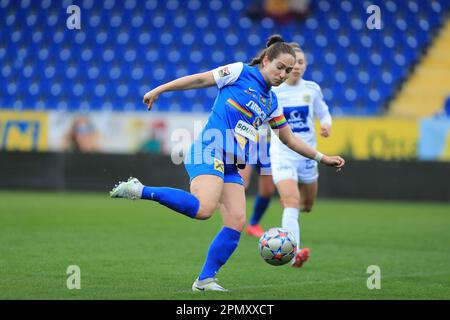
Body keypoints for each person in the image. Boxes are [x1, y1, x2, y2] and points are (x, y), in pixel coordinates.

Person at [110, 35, 345, 292]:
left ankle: (205, 280)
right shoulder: (239, 71)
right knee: (203, 209)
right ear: (266, 60)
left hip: (232, 162)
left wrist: (322, 158)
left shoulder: (271, 102)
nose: (283, 74)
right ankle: (140, 190)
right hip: (208, 149)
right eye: (280, 67)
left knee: (236, 220)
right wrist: (159, 90)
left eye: (288, 71)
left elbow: (288, 139)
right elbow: (200, 79)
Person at [270, 43, 333, 268]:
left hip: (308, 156)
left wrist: (326, 124)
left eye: (301, 62)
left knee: (306, 205)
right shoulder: (274, 90)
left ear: (305, 66)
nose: (297, 66)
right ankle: (292, 254)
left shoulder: (312, 89)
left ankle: (290, 206)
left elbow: (324, 112)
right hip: (282, 155)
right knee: (292, 202)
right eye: (293, 62)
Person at [239, 123, 276, 238]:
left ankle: (253, 224)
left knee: (268, 190)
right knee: (241, 183)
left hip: (266, 143)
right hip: (248, 141)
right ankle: (231, 223)